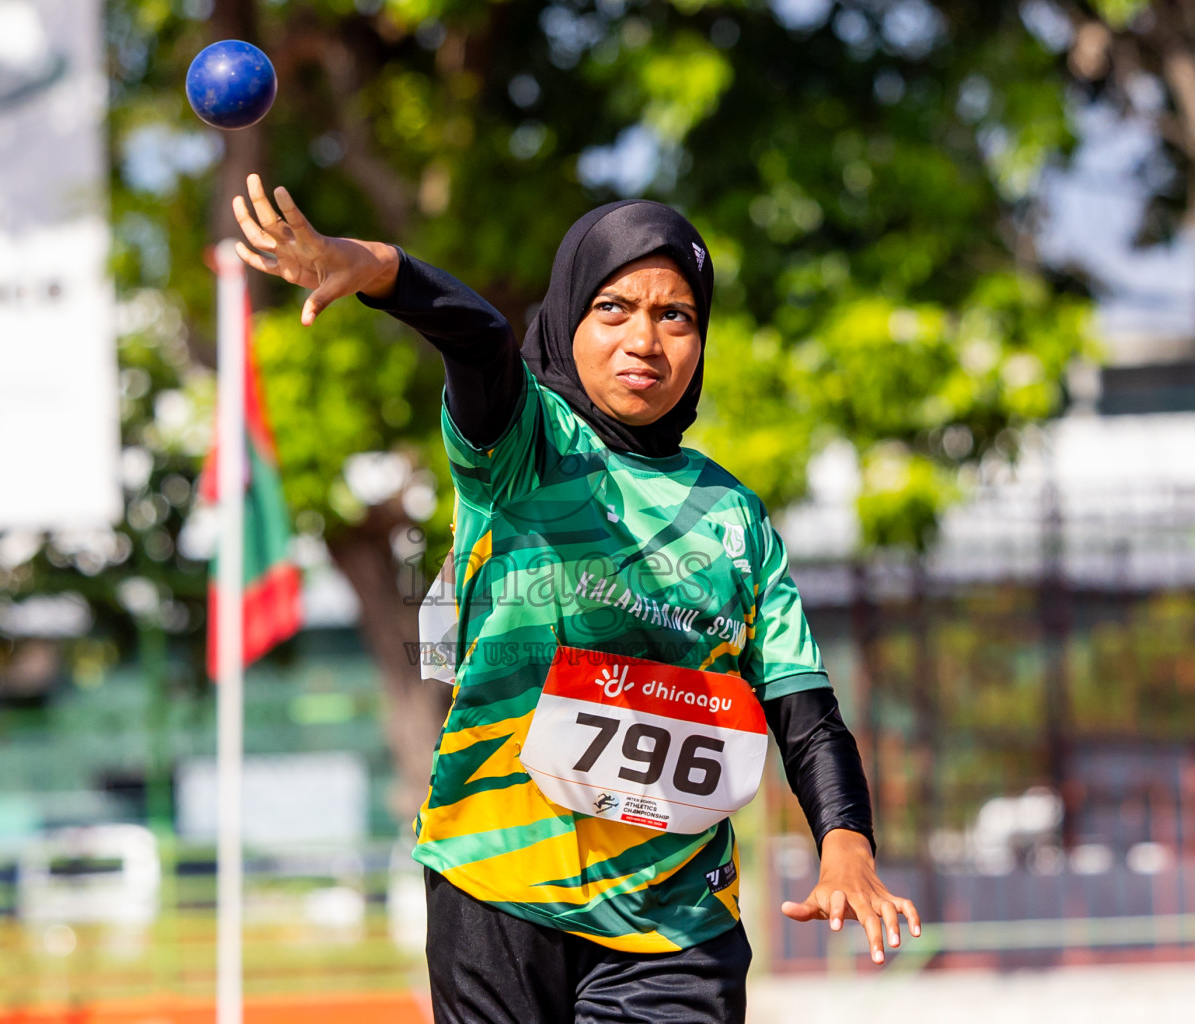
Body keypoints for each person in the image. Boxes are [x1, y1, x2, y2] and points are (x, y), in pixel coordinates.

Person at [232, 175, 917, 1023]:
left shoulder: (735, 518)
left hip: (676, 924)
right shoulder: (522, 446)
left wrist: (846, 845)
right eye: (614, 308)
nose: (647, 339)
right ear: (567, 318)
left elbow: (803, 710)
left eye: (678, 316)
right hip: (496, 893)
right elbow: (481, 344)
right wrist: (378, 267)